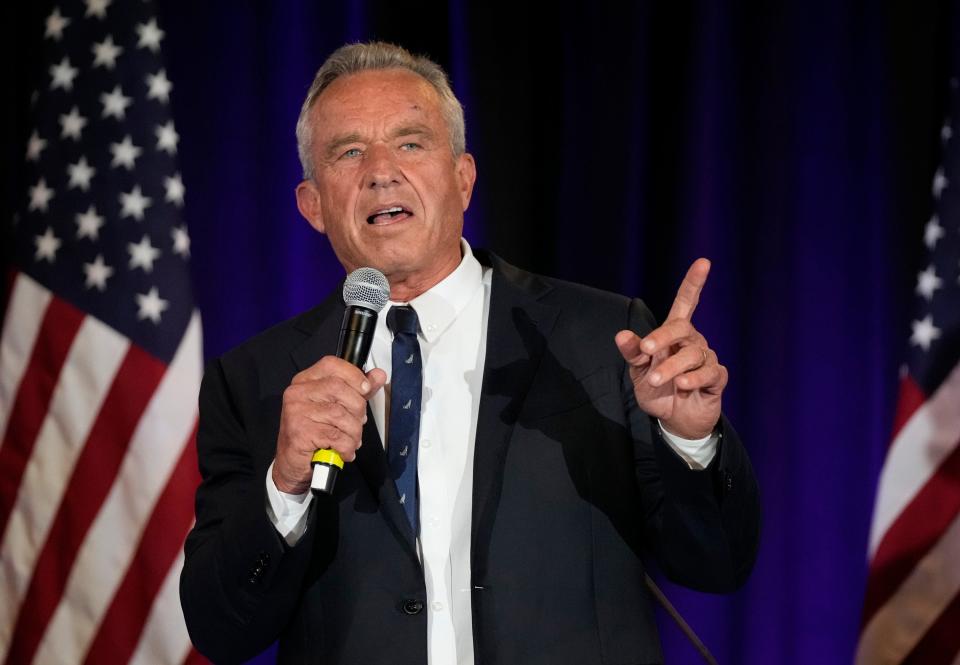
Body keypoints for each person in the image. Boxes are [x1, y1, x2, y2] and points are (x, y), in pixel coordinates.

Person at [180, 42, 760, 665]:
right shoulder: (254, 382)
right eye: (348, 152)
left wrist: (692, 443)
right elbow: (221, 629)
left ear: (463, 178)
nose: (381, 170)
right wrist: (286, 485)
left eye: (410, 142)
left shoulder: (601, 337)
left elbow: (718, 563)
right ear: (312, 205)